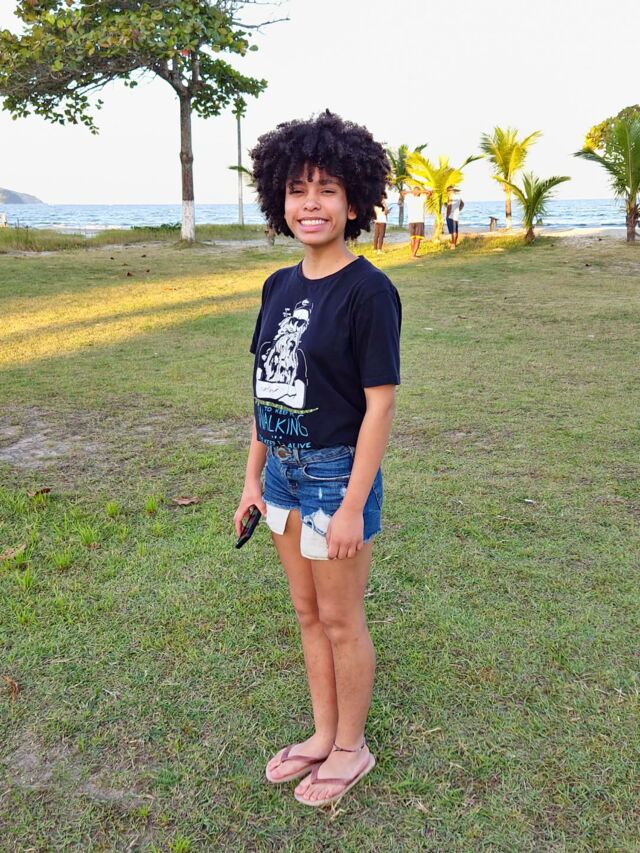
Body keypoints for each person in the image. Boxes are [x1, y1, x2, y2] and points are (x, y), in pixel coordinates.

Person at [234, 110, 401, 808]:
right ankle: (324, 734)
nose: (311, 202)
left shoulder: (369, 291)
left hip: (335, 476)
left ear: (354, 203)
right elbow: (265, 392)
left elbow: (379, 407)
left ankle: (352, 748)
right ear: (279, 200)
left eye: (327, 189)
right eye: (297, 189)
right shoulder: (278, 285)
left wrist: (354, 505)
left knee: (340, 619)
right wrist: (251, 478)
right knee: (306, 614)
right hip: (281, 473)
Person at [402, 185, 427, 258]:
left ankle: (413, 254)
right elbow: (428, 192)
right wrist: (415, 191)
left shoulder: (420, 198)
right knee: (416, 239)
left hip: (413, 221)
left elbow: (429, 192)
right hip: (418, 221)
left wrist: (414, 191)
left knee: (413, 238)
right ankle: (413, 255)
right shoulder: (411, 198)